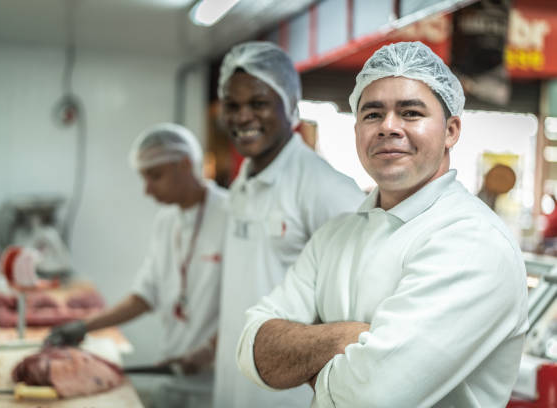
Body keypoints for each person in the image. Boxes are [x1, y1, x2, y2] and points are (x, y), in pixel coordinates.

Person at [236, 41, 529, 407]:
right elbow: (253, 346)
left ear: (451, 130)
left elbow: (371, 396)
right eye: (373, 114)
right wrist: (344, 338)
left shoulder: (472, 242)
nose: (389, 127)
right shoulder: (336, 234)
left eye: (410, 113)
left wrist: (304, 361)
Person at [214, 41, 366, 408]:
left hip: (291, 396)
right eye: (232, 106)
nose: (243, 117)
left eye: (259, 103)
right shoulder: (242, 184)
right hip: (235, 381)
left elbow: (359, 310)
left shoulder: (325, 189)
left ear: (290, 105)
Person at [45, 123, 228, 408]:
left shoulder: (231, 216)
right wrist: (84, 326)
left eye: (155, 176)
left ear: (185, 164)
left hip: (217, 386)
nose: (147, 190)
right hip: (171, 372)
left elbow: (250, 303)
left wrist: (208, 351)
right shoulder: (167, 221)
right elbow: (145, 295)